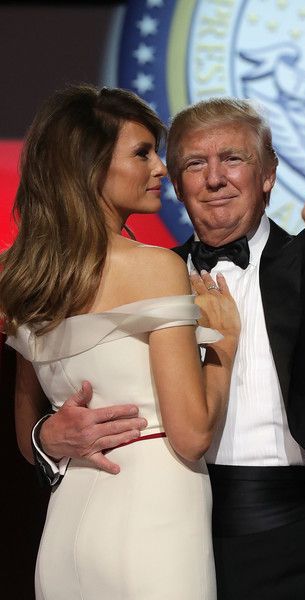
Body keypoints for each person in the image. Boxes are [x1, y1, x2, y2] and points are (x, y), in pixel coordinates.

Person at [18, 97, 305, 599]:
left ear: (268, 174)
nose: (214, 178)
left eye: (233, 159)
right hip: (170, 517)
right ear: (175, 183)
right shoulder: (145, 273)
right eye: (195, 164)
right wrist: (46, 434)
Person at [0, 85, 240, 600]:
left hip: (67, 527)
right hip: (156, 521)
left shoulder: (20, 276)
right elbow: (192, 434)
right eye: (142, 153)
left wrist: (46, 437)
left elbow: (29, 427)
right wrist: (225, 343)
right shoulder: (156, 266)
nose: (161, 168)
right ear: (90, 167)